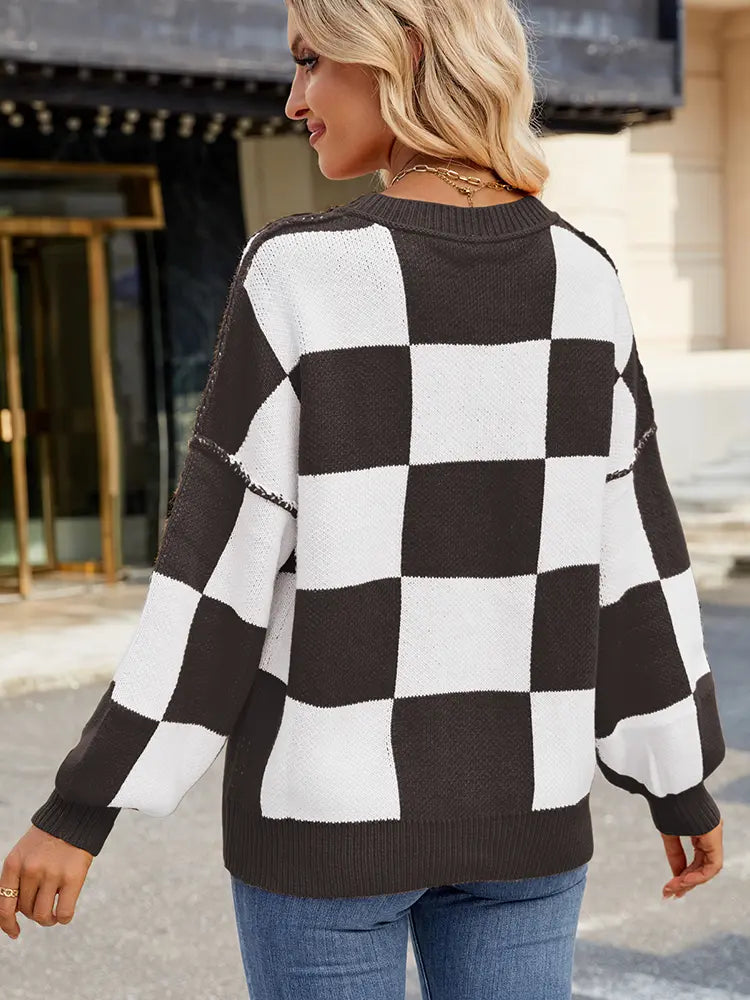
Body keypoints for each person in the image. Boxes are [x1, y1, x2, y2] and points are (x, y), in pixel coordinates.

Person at [1, 0, 727, 997]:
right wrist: (678, 781)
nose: (293, 99)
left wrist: (83, 809)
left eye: (311, 62)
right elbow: (636, 564)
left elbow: (219, 578)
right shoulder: (584, 280)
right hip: (527, 817)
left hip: (324, 827)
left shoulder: (301, 274)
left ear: (403, 55)